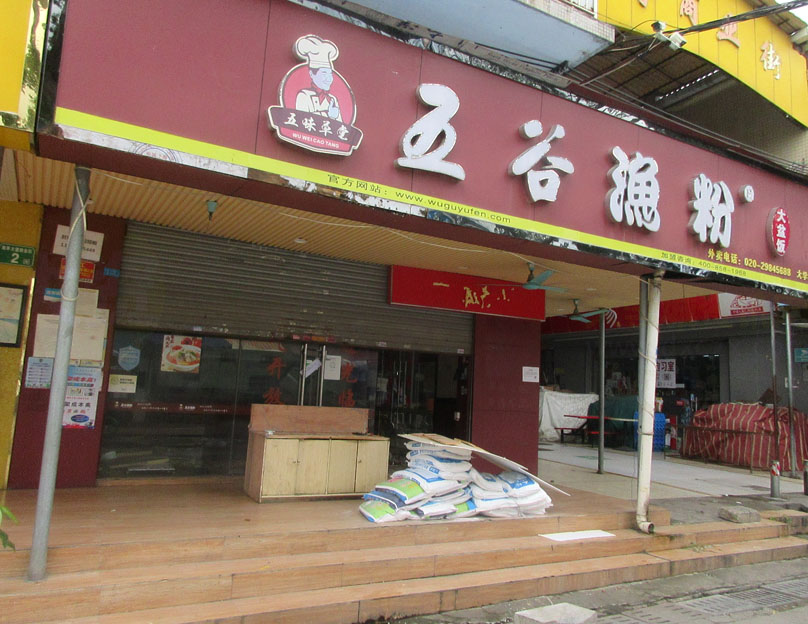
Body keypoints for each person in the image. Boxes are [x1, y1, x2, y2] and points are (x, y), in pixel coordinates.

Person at [294, 35, 342, 121]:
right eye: (324, 73)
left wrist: (335, 117)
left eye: (330, 74)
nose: (328, 79)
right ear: (312, 74)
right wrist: (329, 115)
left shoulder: (332, 99)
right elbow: (302, 121)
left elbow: (342, 128)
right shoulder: (304, 95)